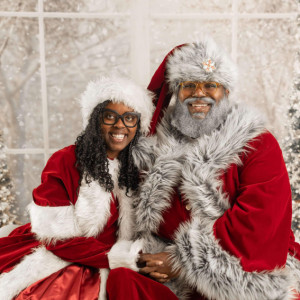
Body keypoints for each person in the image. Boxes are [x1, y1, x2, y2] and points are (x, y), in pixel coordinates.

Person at [106, 37, 300, 299]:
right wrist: (146, 256)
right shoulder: (153, 145)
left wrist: (181, 261)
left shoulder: (257, 143)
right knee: (122, 280)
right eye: (189, 85)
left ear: (226, 92)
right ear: (176, 91)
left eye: (211, 85)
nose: (200, 93)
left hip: (236, 270)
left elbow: (259, 222)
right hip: (161, 266)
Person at [0, 75, 163, 300]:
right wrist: (118, 257)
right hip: (66, 255)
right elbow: (57, 239)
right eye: (110, 116)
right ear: (95, 120)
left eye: (129, 118)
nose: (120, 125)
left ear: (138, 124)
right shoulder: (65, 160)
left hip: (118, 261)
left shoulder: (139, 168)